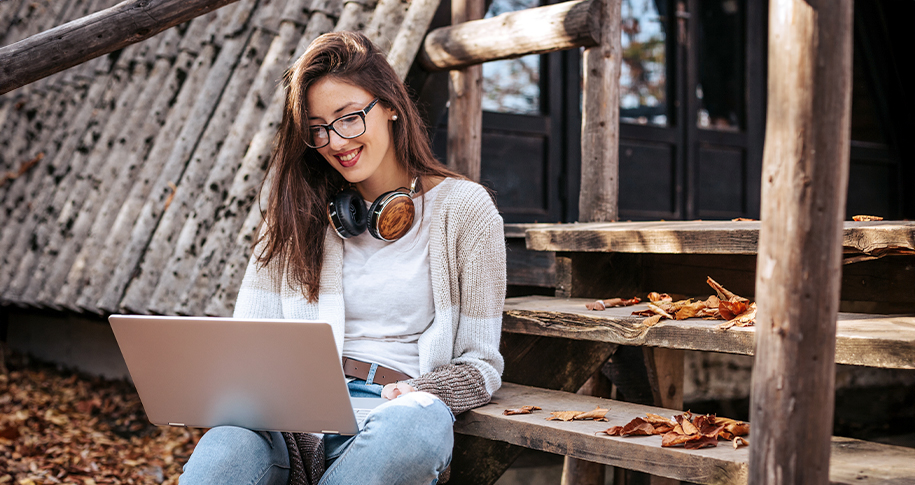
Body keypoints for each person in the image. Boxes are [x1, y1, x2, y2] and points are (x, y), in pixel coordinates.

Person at [179, 31, 506, 485]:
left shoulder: (465, 210)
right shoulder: (295, 214)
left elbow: (481, 364)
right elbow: (249, 349)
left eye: (348, 117)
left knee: (417, 425)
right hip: (291, 423)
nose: (334, 141)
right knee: (224, 447)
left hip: (394, 416)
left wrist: (419, 390)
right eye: (317, 128)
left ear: (391, 104)